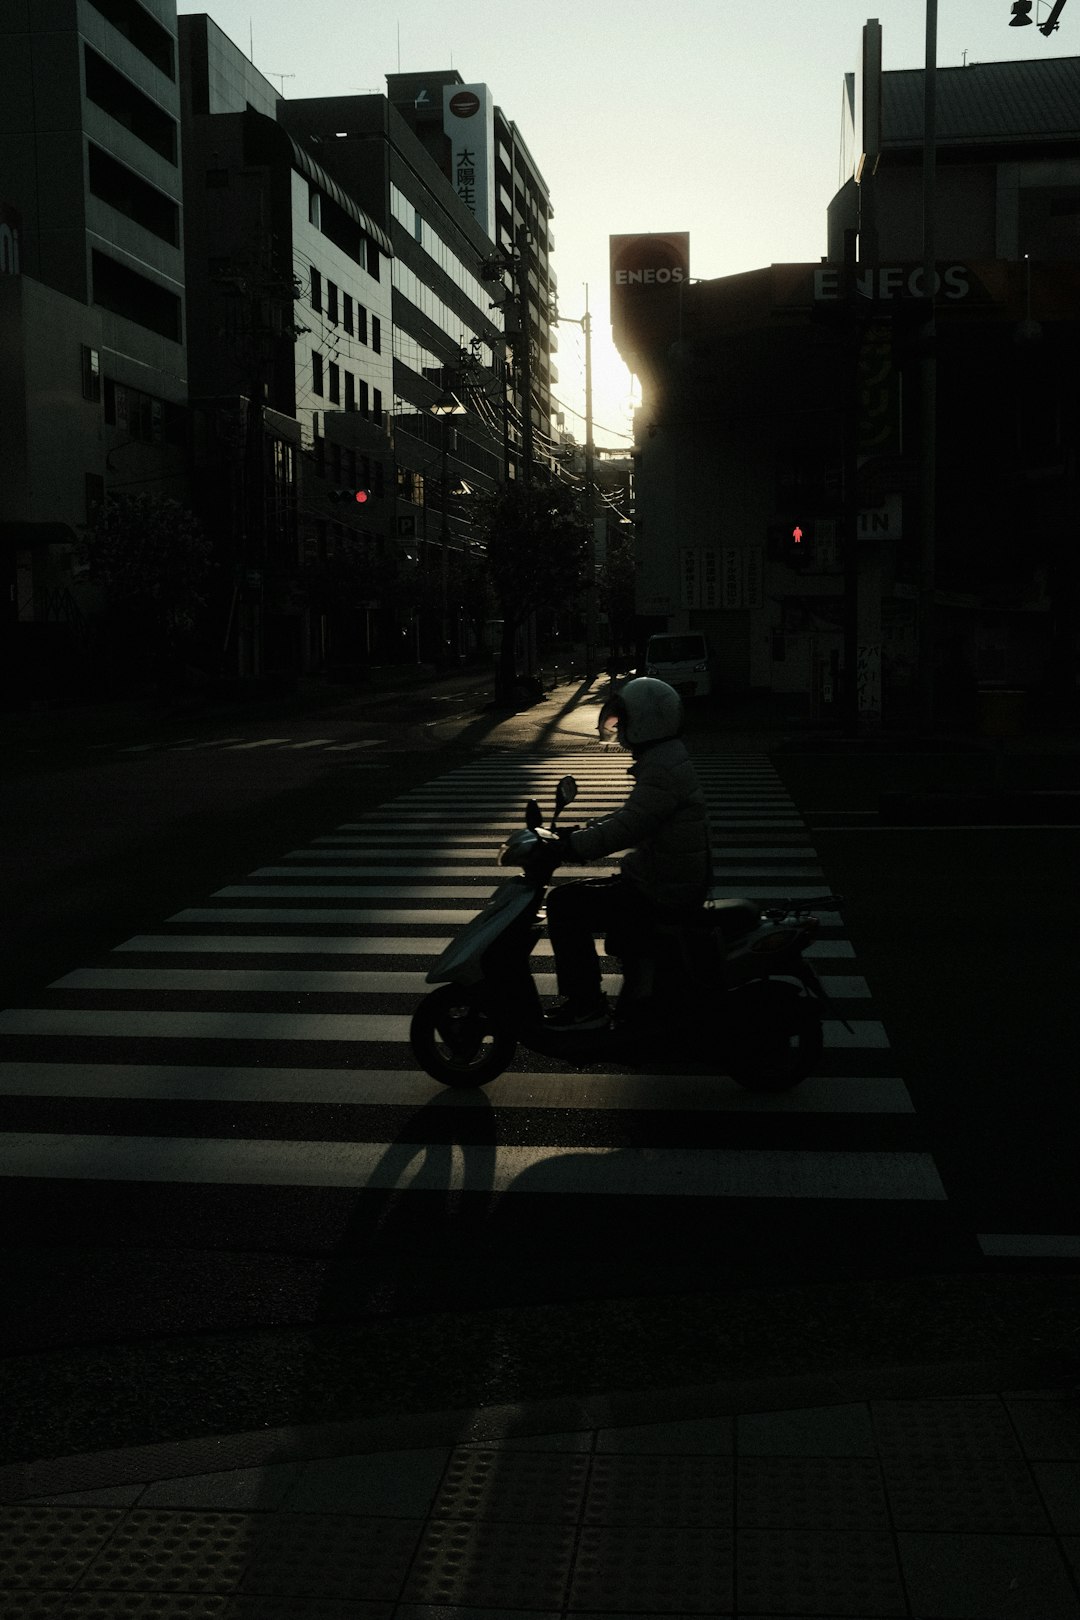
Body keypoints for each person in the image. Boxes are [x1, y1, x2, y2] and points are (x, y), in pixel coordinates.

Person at [544, 676, 710, 1029]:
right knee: (580, 900)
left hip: (663, 888)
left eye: (627, 721)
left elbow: (629, 826)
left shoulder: (662, 769)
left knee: (564, 904)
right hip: (662, 878)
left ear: (647, 721)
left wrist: (573, 846)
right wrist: (583, 831)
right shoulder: (664, 760)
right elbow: (634, 815)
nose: (621, 731)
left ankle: (586, 1004)